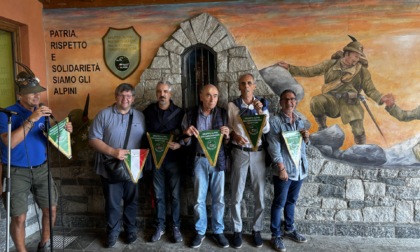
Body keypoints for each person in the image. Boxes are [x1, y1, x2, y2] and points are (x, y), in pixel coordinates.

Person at [0, 68, 73, 252]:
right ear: (19, 94)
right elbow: (9, 142)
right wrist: (31, 120)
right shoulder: (7, 114)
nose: (37, 95)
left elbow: (50, 138)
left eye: (38, 91)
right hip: (16, 171)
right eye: (32, 92)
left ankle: (44, 244)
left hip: (41, 169)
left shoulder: (44, 112)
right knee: (18, 217)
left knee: (51, 209)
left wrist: (64, 130)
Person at [278, 36, 387, 144]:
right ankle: (323, 128)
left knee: (358, 128)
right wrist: (290, 68)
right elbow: (311, 71)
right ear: (347, 53)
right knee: (316, 101)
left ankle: (362, 147)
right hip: (331, 101)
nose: (357, 59)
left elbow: (370, 90)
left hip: (351, 103)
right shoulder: (330, 64)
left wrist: (381, 98)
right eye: (355, 56)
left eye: (359, 57)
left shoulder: (362, 71)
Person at [88, 83, 146, 248]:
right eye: (122, 95)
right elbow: (93, 139)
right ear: (116, 97)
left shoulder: (140, 116)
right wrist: (113, 151)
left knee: (131, 202)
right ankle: (112, 233)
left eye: (129, 96)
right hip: (110, 168)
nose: (125, 99)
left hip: (134, 167)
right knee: (112, 204)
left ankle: (130, 231)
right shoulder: (104, 114)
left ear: (133, 98)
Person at [181, 84, 230, 249]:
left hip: (218, 159)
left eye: (215, 95)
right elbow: (184, 142)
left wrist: (227, 135)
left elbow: (228, 142)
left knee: (219, 199)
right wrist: (186, 135)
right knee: (198, 200)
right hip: (199, 160)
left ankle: (218, 231)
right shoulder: (190, 113)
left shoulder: (223, 113)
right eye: (208, 95)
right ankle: (200, 231)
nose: (212, 99)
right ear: (201, 96)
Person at [228, 73, 270, 248]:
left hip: (258, 153)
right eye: (243, 83)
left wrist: (260, 112)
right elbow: (229, 129)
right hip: (240, 153)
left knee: (259, 194)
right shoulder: (232, 105)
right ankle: (237, 230)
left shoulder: (263, 105)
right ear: (239, 86)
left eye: (249, 83)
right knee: (236, 193)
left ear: (254, 86)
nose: (246, 86)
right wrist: (235, 136)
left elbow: (266, 130)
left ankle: (257, 229)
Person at [266, 89, 310, 252]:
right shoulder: (276, 122)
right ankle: (275, 235)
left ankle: (289, 229)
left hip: (299, 170)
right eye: (286, 99)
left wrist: (306, 138)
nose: (290, 102)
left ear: (295, 102)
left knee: (292, 201)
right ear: (281, 102)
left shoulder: (299, 121)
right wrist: (281, 168)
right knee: (279, 203)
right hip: (284, 171)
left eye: (292, 99)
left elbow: (301, 147)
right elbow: (274, 148)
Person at [143, 81, 185, 243]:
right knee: (159, 196)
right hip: (156, 161)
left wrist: (179, 144)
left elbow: (185, 134)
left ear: (170, 94)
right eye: (159, 91)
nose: (162, 94)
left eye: (165, 91)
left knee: (175, 196)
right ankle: (160, 226)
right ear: (156, 94)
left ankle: (176, 227)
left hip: (174, 160)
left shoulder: (180, 113)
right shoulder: (148, 112)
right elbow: (143, 134)